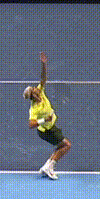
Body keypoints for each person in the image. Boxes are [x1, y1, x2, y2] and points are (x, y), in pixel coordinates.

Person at [24, 52, 71, 180]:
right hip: (46, 131)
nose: (36, 88)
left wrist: (44, 64)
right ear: (33, 95)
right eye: (33, 89)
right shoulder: (34, 109)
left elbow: (43, 78)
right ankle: (50, 167)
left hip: (50, 127)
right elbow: (31, 124)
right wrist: (44, 119)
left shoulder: (41, 91)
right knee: (66, 145)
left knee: (61, 146)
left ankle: (47, 166)